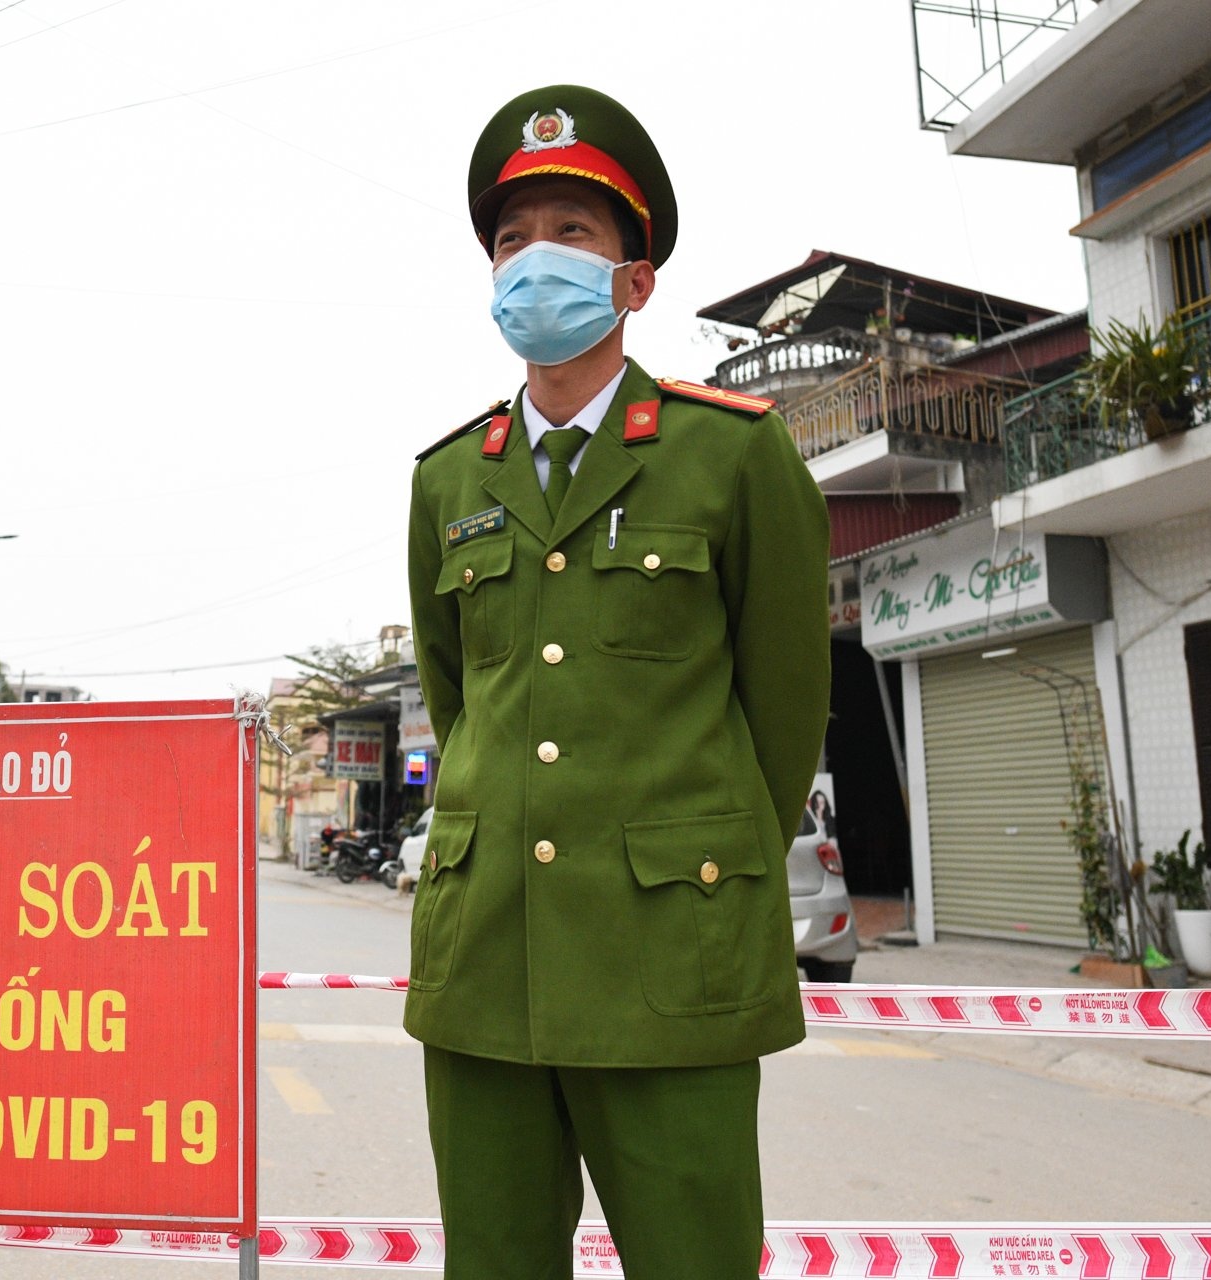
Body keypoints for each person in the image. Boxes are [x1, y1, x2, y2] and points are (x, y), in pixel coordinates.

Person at [404, 85, 832, 1279]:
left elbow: (785, 709)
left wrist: (706, 874)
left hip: (669, 957)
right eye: (511, 237)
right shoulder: (449, 480)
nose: (535, 257)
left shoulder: (731, 453)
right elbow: (463, 703)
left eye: (573, 232)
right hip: (488, 957)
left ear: (635, 279)